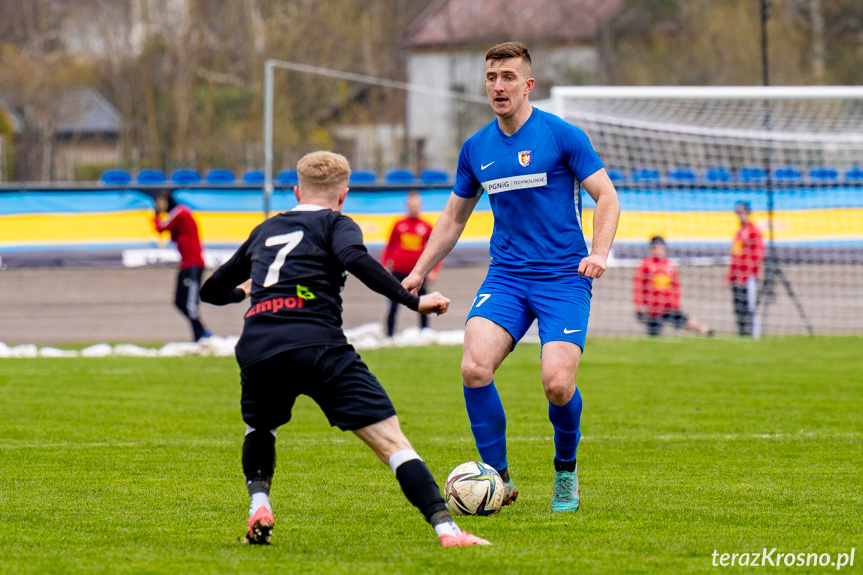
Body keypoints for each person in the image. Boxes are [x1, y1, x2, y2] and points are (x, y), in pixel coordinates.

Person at [200, 151, 488, 547]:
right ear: (343, 195)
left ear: (296, 190)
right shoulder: (337, 224)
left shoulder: (265, 230)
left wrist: (242, 291)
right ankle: (446, 529)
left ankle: (259, 505)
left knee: (261, 426)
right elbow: (357, 261)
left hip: (259, 346)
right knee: (392, 443)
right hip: (318, 345)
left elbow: (209, 291)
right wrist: (414, 300)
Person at [402, 42, 620, 513]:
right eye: (491, 77)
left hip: (564, 277)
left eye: (507, 77)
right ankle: (498, 480)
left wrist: (599, 251)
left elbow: (607, 196)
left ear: (527, 85)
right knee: (473, 367)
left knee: (557, 384)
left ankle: (566, 473)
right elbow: (454, 217)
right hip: (506, 277)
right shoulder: (476, 148)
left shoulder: (562, 136)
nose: (498, 86)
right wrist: (419, 270)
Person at [153, 190, 212, 342]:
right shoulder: (178, 215)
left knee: (190, 304)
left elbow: (160, 228)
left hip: (194, 265)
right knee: (179, 302)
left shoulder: (180, 213)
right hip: (186, 265)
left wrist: (156, 214)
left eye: (160, 202)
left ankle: (200, 335)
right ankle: (201, 331)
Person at [381, 191, 440, 337]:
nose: (414, 208)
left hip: (418, 274)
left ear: (420, 206)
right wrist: (384, 263)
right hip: (398, 272)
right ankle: (389, 335)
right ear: (407, 206)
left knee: (423, 304)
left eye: (416, 205)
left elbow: (436, 250)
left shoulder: (426, 226)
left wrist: (434, 270)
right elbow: (389, 246)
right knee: (393, 305)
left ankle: (424, 333)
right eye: (411, 205)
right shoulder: (399, 224)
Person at [633, 236, 713, 337]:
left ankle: (706, 331)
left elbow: (676, 287)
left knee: (687, 320)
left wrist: (675, 304)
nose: (660, 250)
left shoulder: (670, 266)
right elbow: (638, 287)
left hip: (667, 306)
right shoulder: (645, 265)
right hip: (653, 309)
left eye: (662, 247)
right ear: (652, 249)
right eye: (657, 248)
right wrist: (639, 307)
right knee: (653, 336)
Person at [728, 201, 764, 337]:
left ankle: (755, 335)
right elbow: (735, 257)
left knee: (751, 306)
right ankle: (742, 333)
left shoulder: (754, 232)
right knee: (739, 308)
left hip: (749, 277)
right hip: (737, 278)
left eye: (743, 212)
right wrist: (731, 277)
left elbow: (757, 256)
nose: (740, 215)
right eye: (738, 213)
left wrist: (746, 275)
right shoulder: (738, 233)